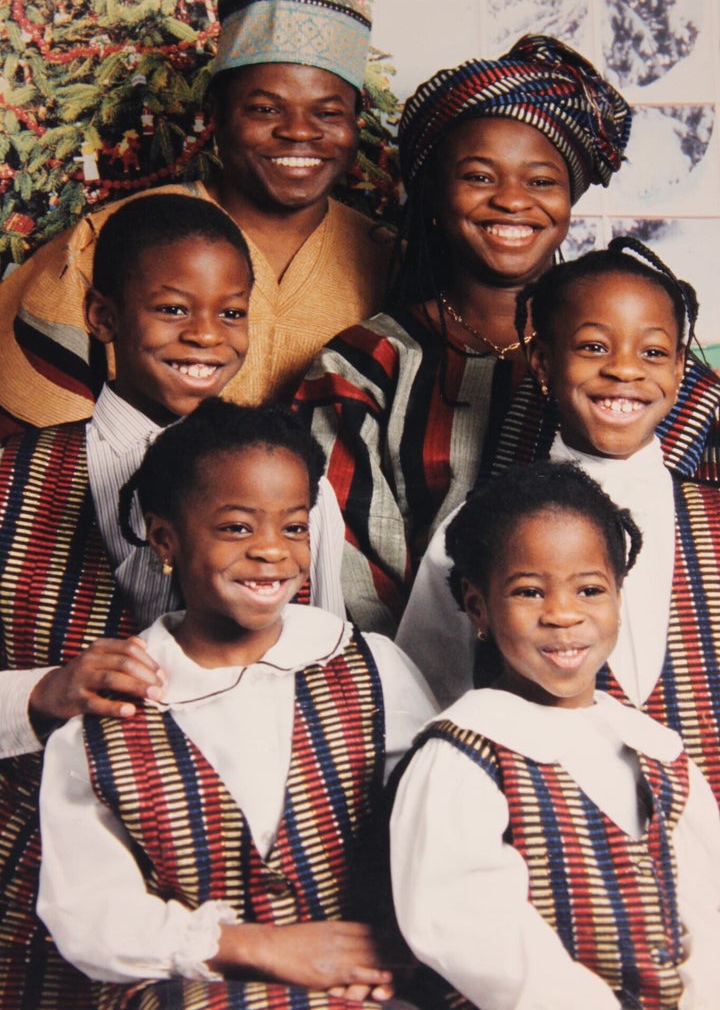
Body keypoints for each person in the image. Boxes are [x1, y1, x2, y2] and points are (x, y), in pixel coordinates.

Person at [0, 193, 342, 1009]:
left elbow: (331, 675)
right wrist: (42, 693)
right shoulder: (9, 483)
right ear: (102, 315)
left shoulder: (299, 489)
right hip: (31, 906)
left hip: (256, 913)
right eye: (171, 309)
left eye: (231, 312)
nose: (205, 335)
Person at [37, 398, 436, 1010]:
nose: (272, 551)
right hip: (198, 992)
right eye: (236, 527)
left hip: (371, 974)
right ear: (165, 538)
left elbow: (430, 832)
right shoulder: (108, 710)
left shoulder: (369, 666)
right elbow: (88, 915)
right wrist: (269, 949)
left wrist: (378, 955)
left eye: (294, 526)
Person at [294, 34, 634, 635]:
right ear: (431, 196)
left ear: (570, 199)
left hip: (597, 669)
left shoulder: (630, 354)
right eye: (480, 177)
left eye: (541, 182)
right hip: (417, 673)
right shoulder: (366, 363)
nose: (511, 202)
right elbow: (342, 557)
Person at [397, 239, 720, 808]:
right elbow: (426, 709)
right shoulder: (478, 528)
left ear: (677, 368)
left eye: (652, 353)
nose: (624, 369)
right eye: (594, 346)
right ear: (543, 363)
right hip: (552, 853)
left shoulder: (714, 518)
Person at [390, 461, 720, 1010]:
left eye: (589, 589)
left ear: (619, 596)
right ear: (479, 608)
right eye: (529, 592)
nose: (564, 615)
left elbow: (707, 910)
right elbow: (467, 928)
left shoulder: (658, 751)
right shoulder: (463, 755)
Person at [0, 0, 392, 438]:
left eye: (327, 114)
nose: (298, 131)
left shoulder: (387, 258)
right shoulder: (117, 236)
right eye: (265, 109)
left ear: (354, 128)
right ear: (216, 116)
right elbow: (31, 438)